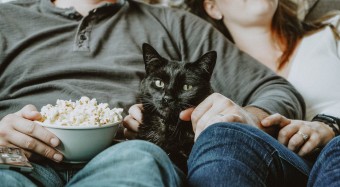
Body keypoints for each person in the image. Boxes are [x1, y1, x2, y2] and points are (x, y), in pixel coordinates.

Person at [0, 0, 306, 186]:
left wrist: (245, 117)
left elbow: (276, 89)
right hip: (15, 158)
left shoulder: (176, 23)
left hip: (126, 154)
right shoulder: (7, 19)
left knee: (142, 160)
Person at [187, 0, 340, 186]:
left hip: (335, 147)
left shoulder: (333, 30)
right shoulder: (210, 80)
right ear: (212, 7)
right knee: (226, 139)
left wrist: (330, 126)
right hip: (268, 163)